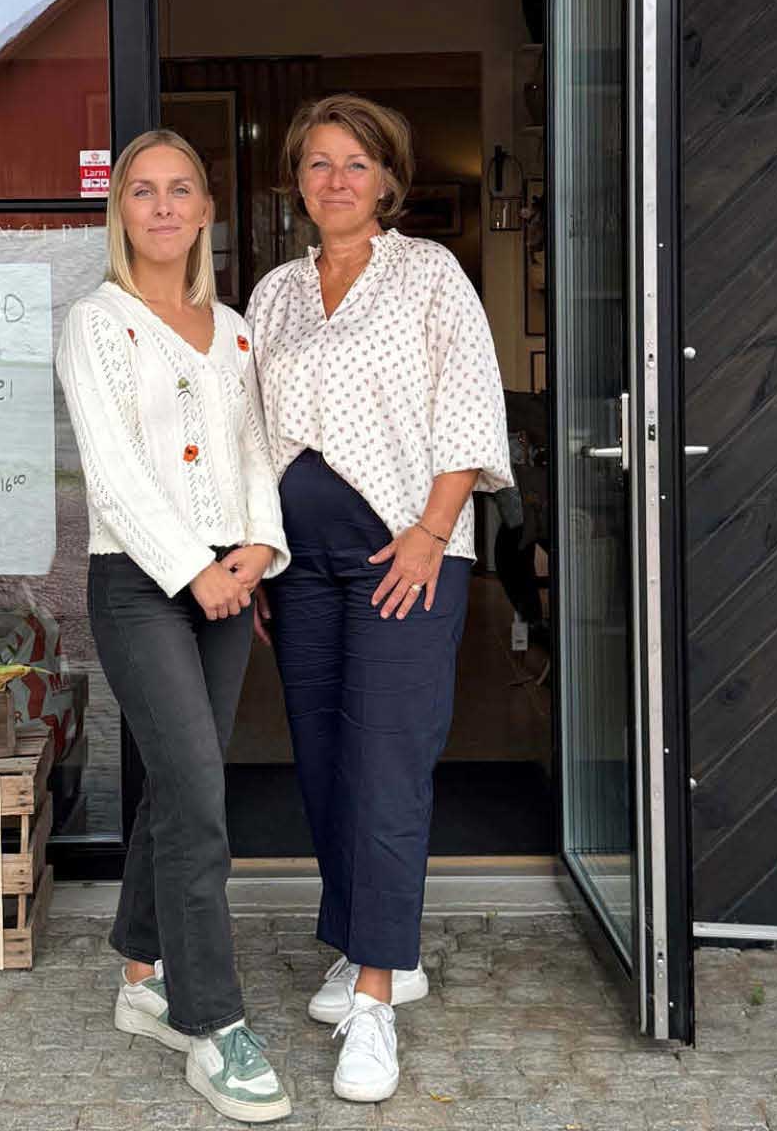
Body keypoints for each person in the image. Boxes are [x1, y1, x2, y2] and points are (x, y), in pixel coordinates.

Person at [245, 94, 513, 1104]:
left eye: (353, 164)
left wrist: (431, 534)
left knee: (386, 769)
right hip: (299, 565)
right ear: (297, 184)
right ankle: (374, 945)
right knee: (320, 763)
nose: (335, 181)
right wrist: (259, 552)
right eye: (316, 164)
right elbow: (248, 436)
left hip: (405, 554)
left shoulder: (426, 276)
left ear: (387, 181)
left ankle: (372, 1003)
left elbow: (468, 410)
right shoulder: (274, 293)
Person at [54, 129, 293, 1124]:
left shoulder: (231, 328)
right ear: (120, 213)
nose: (159, 206)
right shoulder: (95, 325)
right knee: (196, 798)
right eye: (140, 191)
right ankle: (212, 1025)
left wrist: (255, 551)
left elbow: (253, 456)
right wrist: (196, 569)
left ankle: (139, 973)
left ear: (202, 210)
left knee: (175, 786)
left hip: (227, 585)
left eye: (178, 189)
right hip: (142, 586)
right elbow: (110, 472)